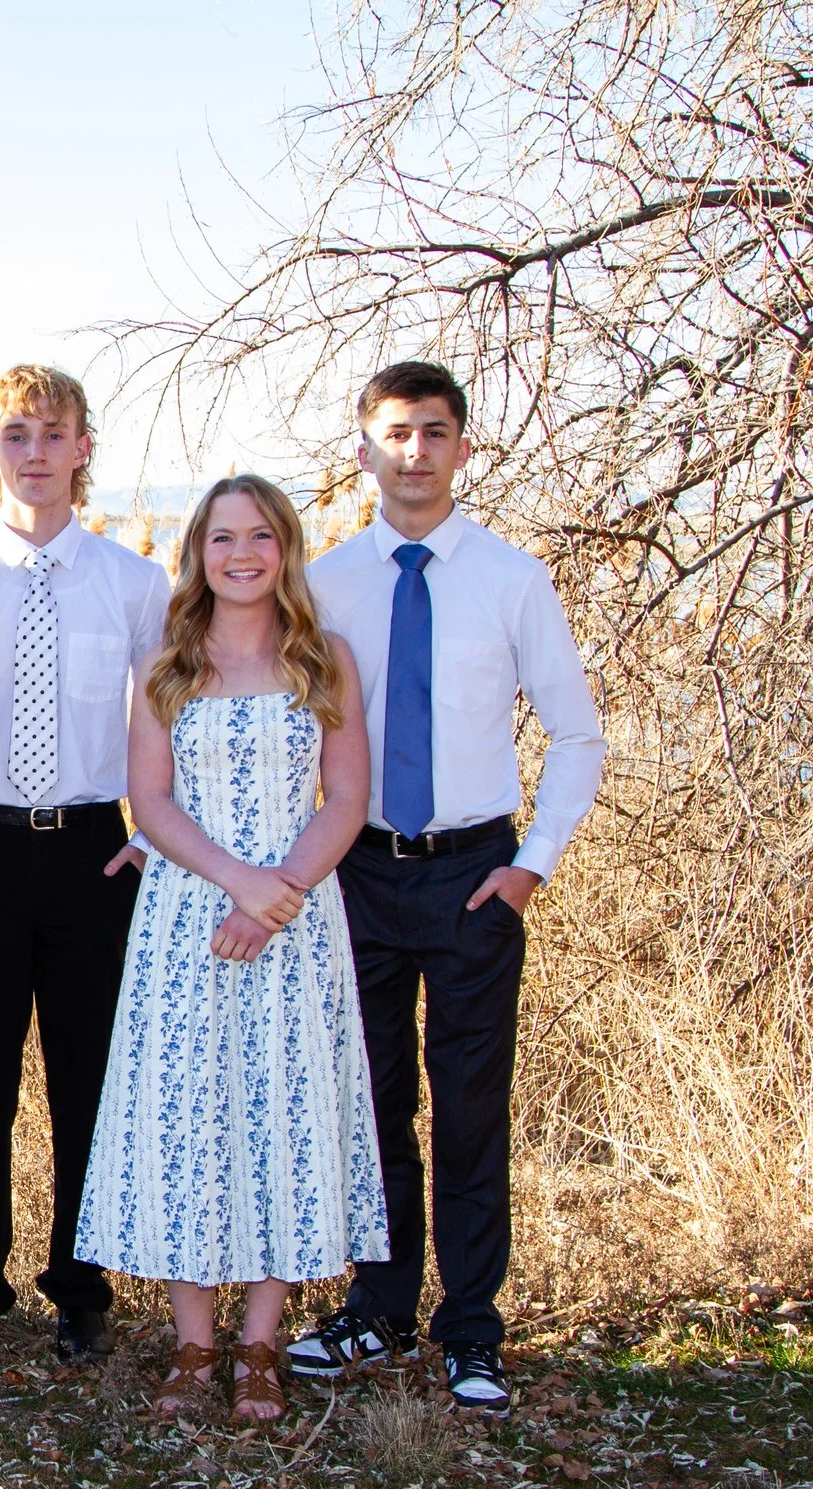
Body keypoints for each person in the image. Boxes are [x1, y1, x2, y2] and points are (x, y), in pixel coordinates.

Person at [287, 362, 606, 1413]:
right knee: (371, 1104)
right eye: (395, 432)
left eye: (434, 432)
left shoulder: (511, 579)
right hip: (358, 873)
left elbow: (575, 731)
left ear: (463, 447)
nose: (414, 450)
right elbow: (287, 734)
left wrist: (530, 865)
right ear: (364, 448)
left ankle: (470, 1325)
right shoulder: (326, 581)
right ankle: (374, 1306)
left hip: (475, 874)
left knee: (469, 1106)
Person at [74, 475, 388, 1425]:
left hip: (295, 924)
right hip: (184, 923)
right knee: (188, 1124)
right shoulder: (167, 661)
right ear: (197, 553)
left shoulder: (322, 657)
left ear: (286, 549)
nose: (241, 554)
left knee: (280, 1119)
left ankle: (260, 1344)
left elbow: (345, 798)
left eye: (259, 537)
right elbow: (151, 801)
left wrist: (276, 891)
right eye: (221, 538)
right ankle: (193, 1343)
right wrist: (235, 881)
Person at [0, 366, 171, 1363]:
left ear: (82, 448)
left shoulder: (135, 581)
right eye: (15, 433)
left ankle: (80, 1281)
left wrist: (147, 837)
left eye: (53, 432)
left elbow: (164, 716)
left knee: (88, 1073)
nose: (34, 449)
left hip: (90, 848)